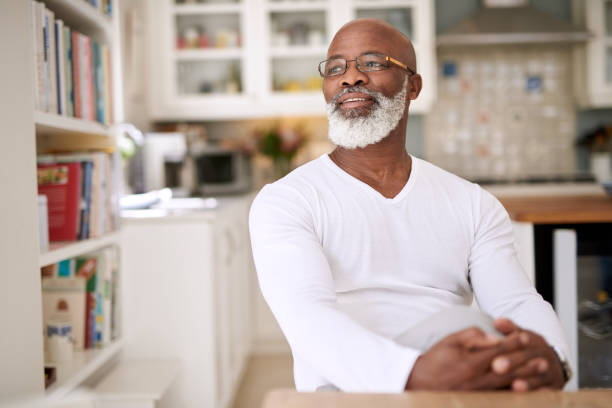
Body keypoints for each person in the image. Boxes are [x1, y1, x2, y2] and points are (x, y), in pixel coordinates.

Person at [249, 18, 571, 393]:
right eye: (336, 68)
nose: (350, 77)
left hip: (454, 377)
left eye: (373, 63)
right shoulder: (287, 200)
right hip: (342, 390)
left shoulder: (472, 203)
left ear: (413, 86)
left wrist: (553, 359)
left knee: (490, 338)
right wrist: (412, 374)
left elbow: (515, 303)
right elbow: (307, 316)